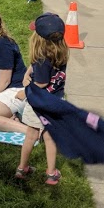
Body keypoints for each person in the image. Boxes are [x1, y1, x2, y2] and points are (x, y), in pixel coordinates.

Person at [15, 14, 69, 186]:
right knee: (50, 137)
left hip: (38, 102)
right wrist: (28, 71)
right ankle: (51, 173)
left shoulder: (41, 58)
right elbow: (38, 69)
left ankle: (22, 169)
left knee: (31, 135)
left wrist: (26, 92)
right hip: (55, 101)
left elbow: (42, 82)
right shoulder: (60, 52)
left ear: (38, 38)